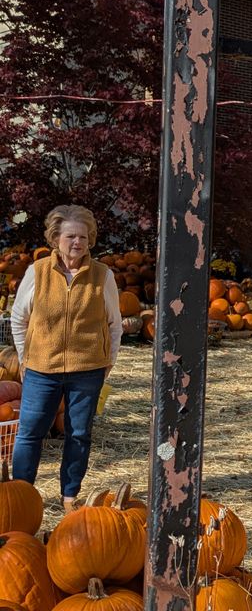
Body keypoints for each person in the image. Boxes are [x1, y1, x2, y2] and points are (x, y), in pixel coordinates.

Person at [10, 205, 122, 512]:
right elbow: (19, 319)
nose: (77, 242)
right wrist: (25, 358)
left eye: (83, 237)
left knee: (79, 434)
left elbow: (114, 325)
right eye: (71, 236)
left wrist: (107, 363)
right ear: (55, 238)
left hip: (88, 370)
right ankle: (21, 495)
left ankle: (69, 497)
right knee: (30, 432)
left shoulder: (102, 276)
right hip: (41, 369)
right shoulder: (37, 272)